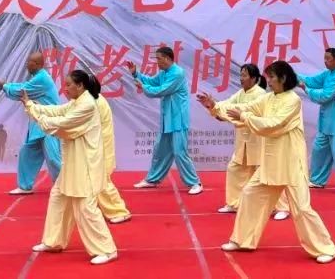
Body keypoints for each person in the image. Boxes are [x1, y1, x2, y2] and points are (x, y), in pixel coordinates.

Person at [220, 60, 335, 264]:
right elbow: (243, 107)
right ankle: (242, 240)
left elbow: (273, 124)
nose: (269, 81)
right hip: (271, 162)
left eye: (272, 77)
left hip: (291, 162)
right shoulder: (268, 98)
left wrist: (245, 116)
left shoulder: (293, 100)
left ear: (283, 78)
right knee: (250, 194)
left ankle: (325, 248)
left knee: (301, 208)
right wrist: (214, 107)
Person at [23, 69, 118, 266]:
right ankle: (54, 241)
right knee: (58, 197)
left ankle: (106, 250)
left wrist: (34, 111)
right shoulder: (77, 102)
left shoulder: (87, 105)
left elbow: (62, 123)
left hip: (85, 165)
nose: (65, 89)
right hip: (73, 163)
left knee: (85, 207)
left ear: (80, 86)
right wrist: (32, 105)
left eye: (68, 85)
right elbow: (58, 111)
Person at [198, 63, 289, 220]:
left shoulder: (261, 94)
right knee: (235, 169)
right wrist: (212, 106)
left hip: (260, 141)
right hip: (244, 142)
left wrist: (217, 108)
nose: (241, 78)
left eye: (244, 75)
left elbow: (243, 110)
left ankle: (282, 208)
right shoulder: (240, 93)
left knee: (268, 173)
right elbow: (227, 105)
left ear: (253, 78)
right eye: (241, 74)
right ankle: (234, 204)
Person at [126, 47, 203, 194]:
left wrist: (143, 86)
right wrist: (136, 74)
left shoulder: (178, 73)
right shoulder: (163, 73)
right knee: (160, 150)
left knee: (179, 152)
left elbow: (162, 90)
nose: (157, 62)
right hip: (167, 119)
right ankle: (152, 179)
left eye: (159, 58)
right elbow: (152, 82)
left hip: (178, 120)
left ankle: (195, 183)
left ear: (167, 58)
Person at [0, 52, 62, 194]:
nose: (27, 64)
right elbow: (23, 86)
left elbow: (22, 91)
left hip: (49, 123)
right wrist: (5, 85)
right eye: (28, 61)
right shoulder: (37, 77)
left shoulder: (42, 78)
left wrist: (3, 85)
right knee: (26, 152)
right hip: (38, 123)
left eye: (30, 62)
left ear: (38, 64)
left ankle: (66, 185)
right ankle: (24, 186)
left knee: (53, 158)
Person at [298, 48, 335, 195]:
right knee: (319, 150)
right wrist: (292, 74)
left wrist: (306, 89)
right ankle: (317, 180)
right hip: (326, 123)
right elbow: (312, 81)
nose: (325, 61)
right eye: (324, 58)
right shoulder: (328, 74)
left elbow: (325, 96)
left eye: (328, 59)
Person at [88, 74, 132, 225]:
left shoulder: (94, 103)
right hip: (96, 148)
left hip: (99, 149)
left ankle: (119, 211)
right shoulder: (94, 100)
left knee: (101, 182)